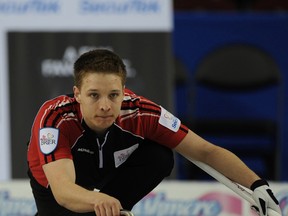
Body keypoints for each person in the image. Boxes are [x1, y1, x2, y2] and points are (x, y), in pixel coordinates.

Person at [27, 49, 281, 216]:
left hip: (107, 176)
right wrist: (99, 202)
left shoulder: (141, 112)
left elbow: (205, 151)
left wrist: (258, 185)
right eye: (94, 95)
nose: (105, 105)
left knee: (160, 154)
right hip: (56, 184)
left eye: (113, 95)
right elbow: (62, 191)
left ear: (124, 91)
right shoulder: (56, 118)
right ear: (77, 93)